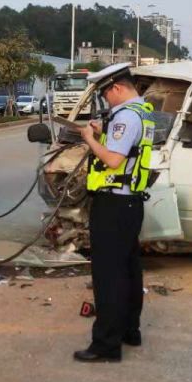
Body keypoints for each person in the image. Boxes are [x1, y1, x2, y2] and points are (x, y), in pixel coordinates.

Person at [73, 63, 155, 363]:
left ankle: (106, 345)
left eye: (106, 94)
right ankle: (129, 331)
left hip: (113, 206)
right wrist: (103, 131)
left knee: (109, 276)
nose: (106, 101)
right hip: (131, 203)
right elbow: (129, 150)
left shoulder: (125, 117)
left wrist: (90, 139)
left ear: (117, 88)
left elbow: (113, 160)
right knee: (130, 271)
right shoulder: (143, 112)